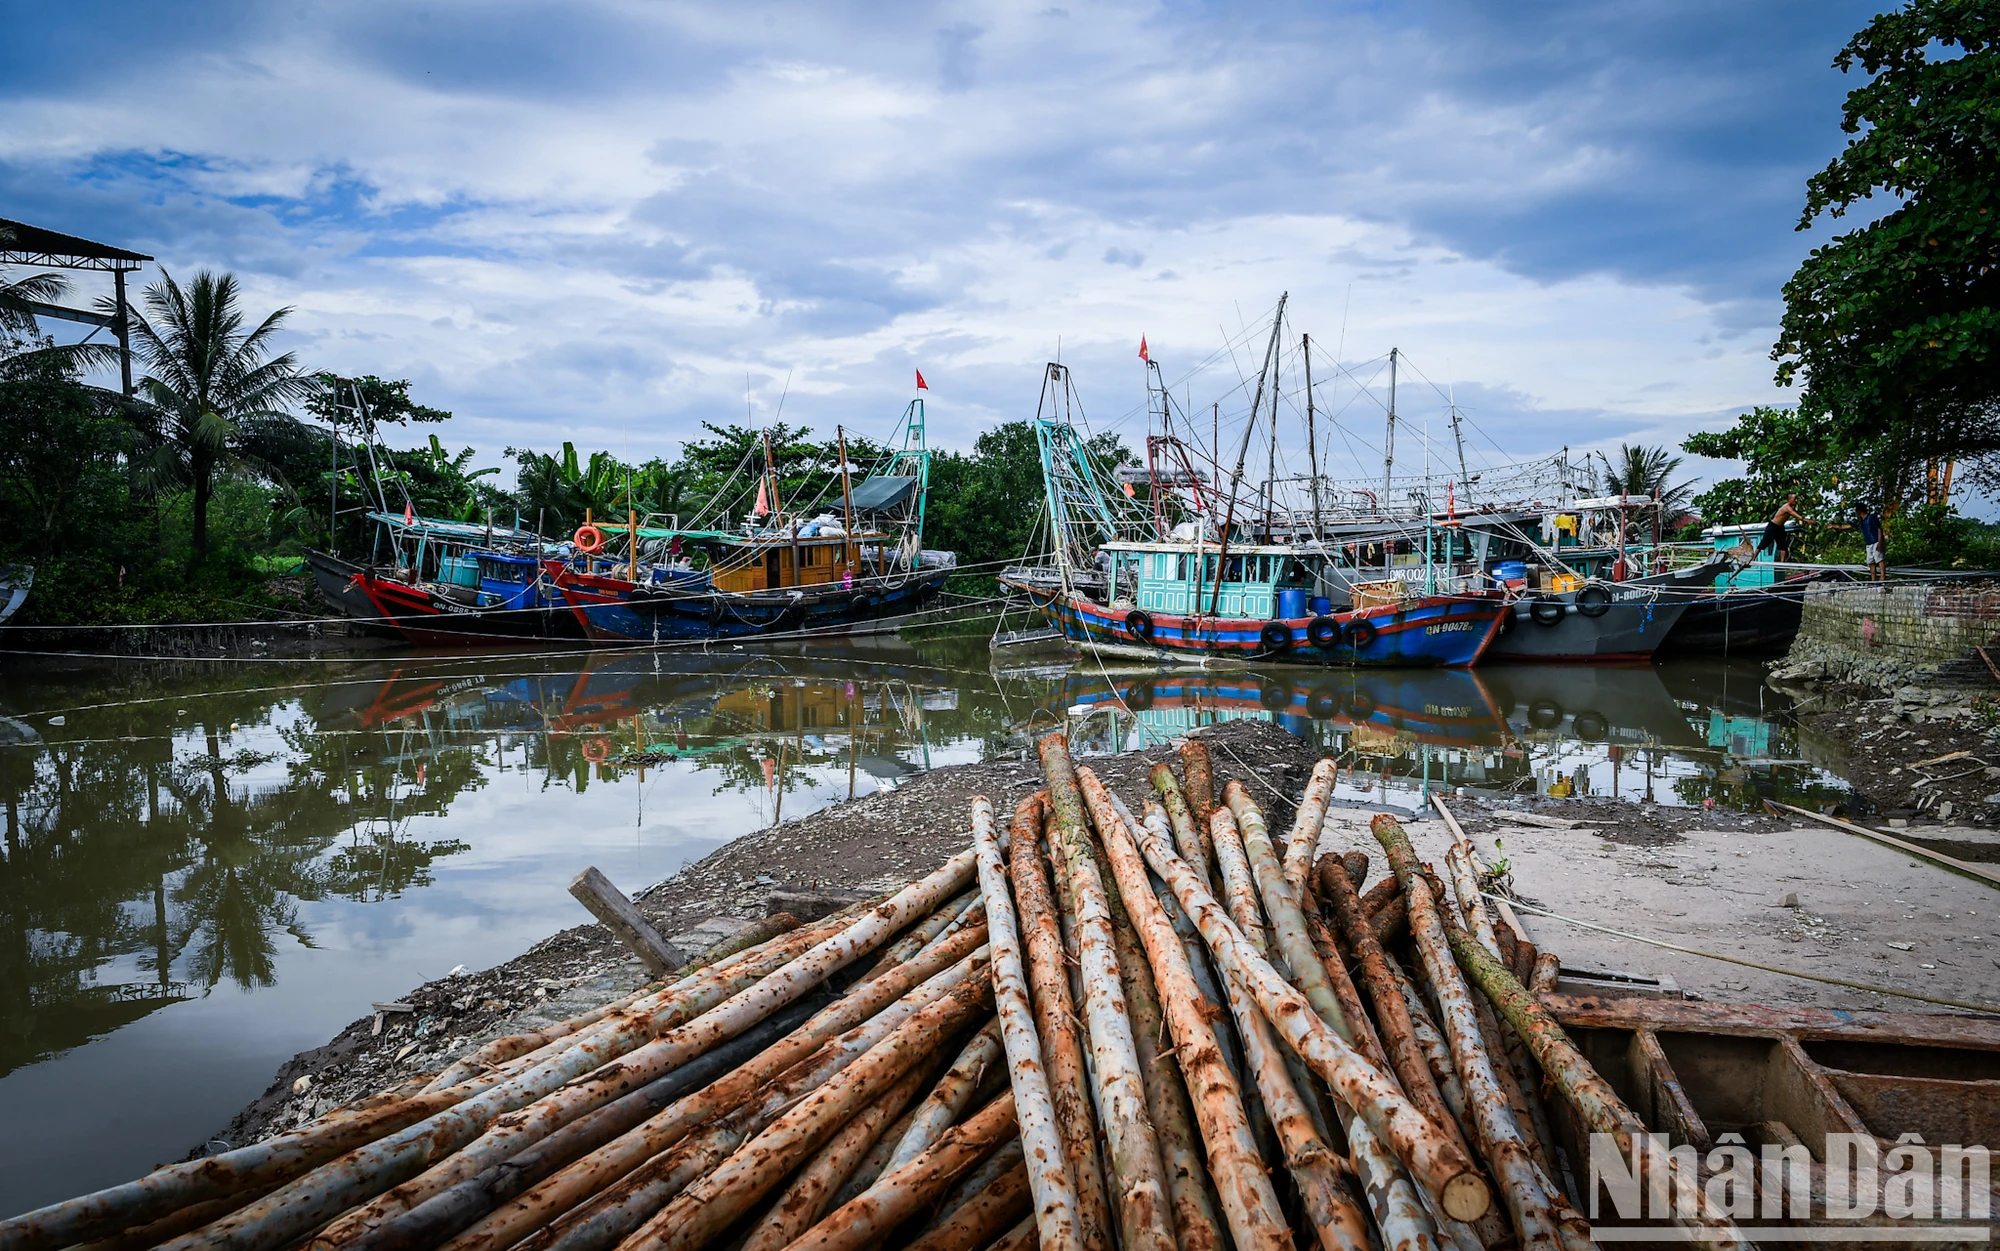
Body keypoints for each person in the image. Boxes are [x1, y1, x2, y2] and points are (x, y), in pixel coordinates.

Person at [1756, 495, 1806, 563]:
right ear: (1789, 499)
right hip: (1773, 526)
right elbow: (1799, 517)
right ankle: (1753, 558)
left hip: (1780, 527)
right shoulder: (1787, 507)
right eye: (1794, 499)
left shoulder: (1792, 507)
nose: (1796, 500)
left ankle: (1782, 562)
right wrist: (1810, 521)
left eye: (1797, 499)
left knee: (1783, 545)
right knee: (1764, 542)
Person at [1856, 501, 1886, 582]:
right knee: (1871, 561)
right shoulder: (1861, 521)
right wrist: (1834, 526)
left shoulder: (1871, 517)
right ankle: (1873, 580)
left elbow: (1879, 529)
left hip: (1876, 541)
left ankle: (1883, 577)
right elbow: (1849, 525)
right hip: (1869, 543)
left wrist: (1880, 542)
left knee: (1879, 559)